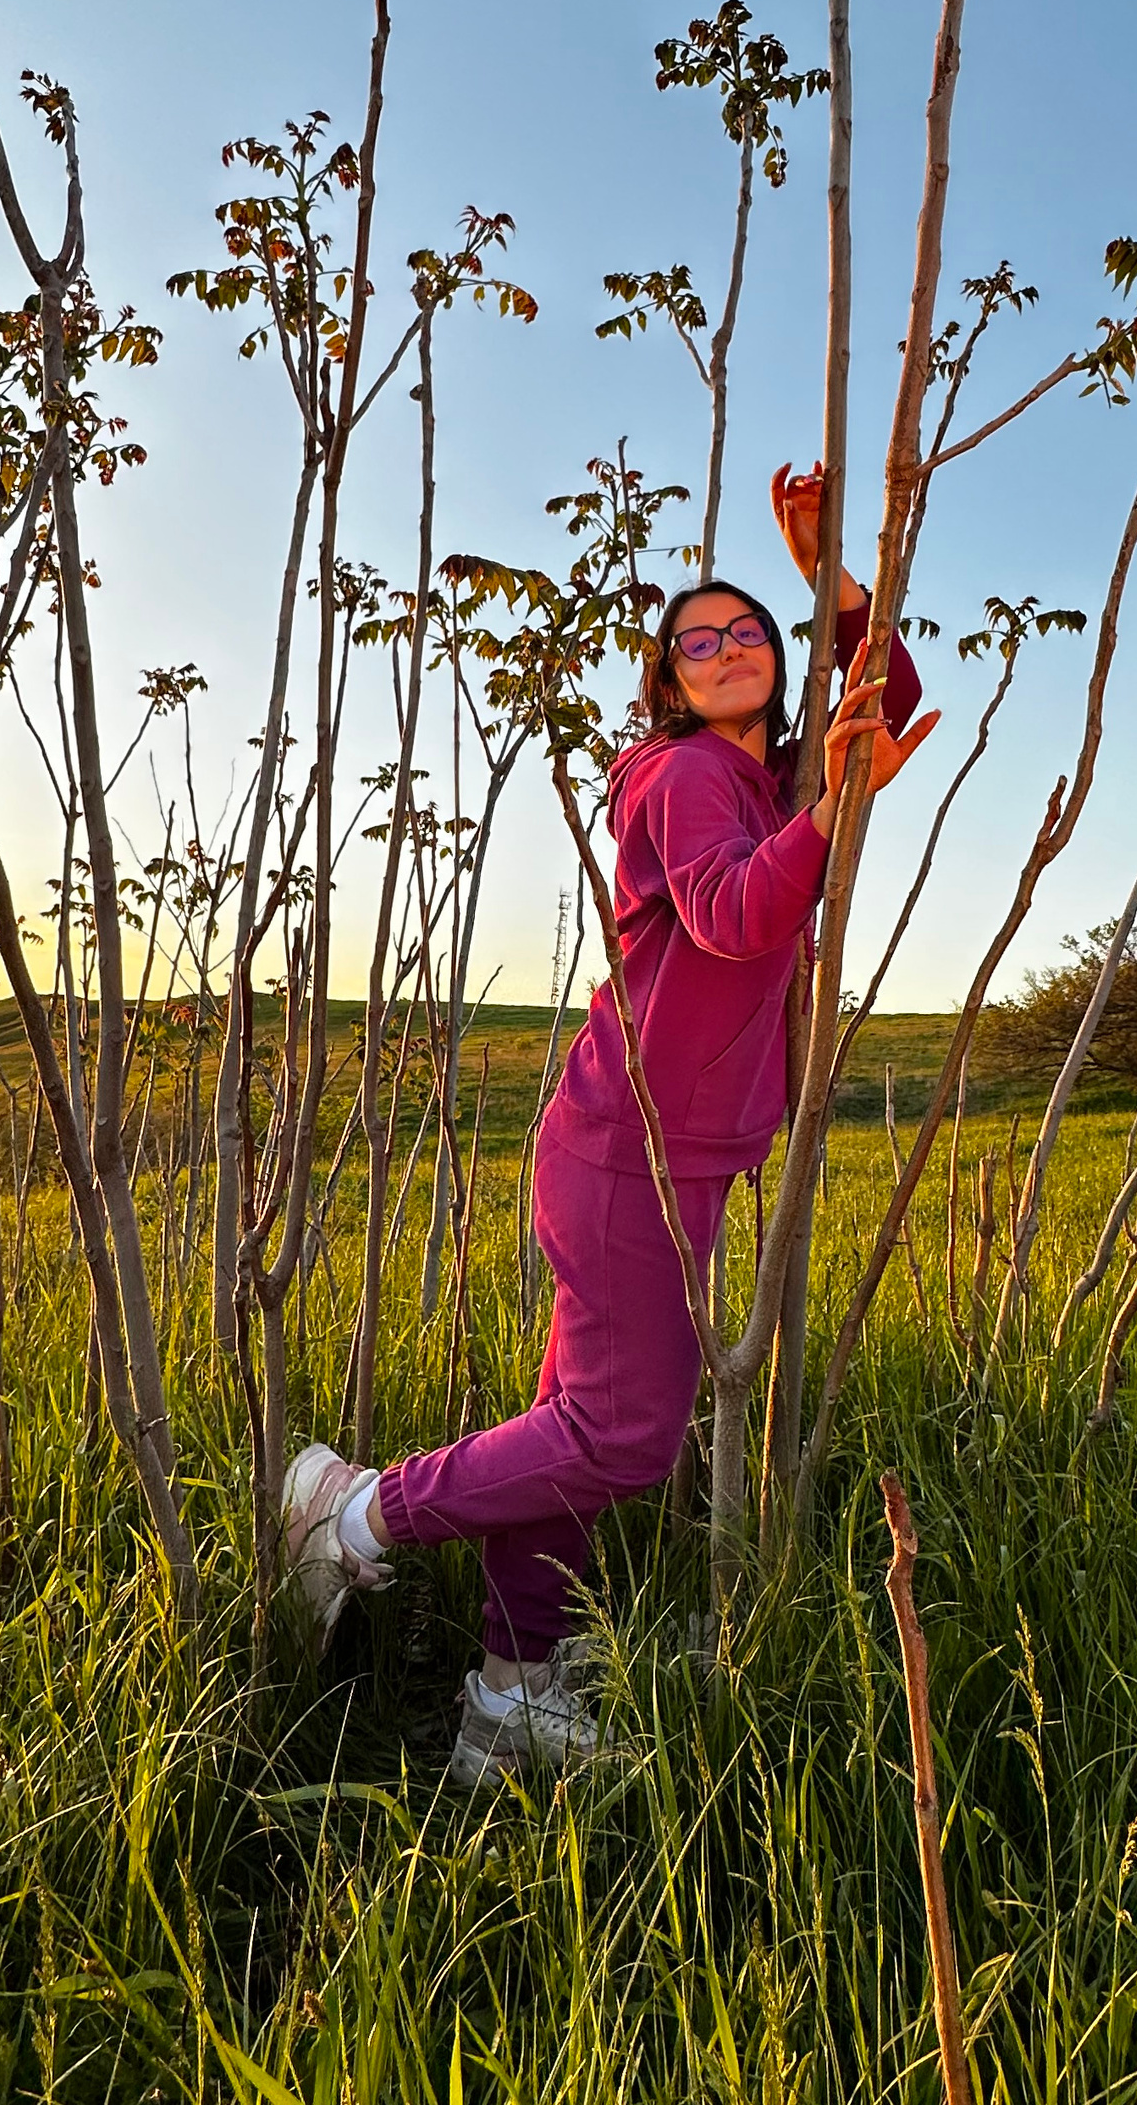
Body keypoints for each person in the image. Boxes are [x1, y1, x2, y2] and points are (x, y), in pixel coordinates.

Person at [282, 461, 938, 1785]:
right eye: (696, 642)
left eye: (748, 628)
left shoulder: (770, 785)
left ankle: (511, 1699)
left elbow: (894, 705)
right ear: (669, 682)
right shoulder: (685, 774)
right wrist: (837, 807)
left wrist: (830, 584)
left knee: (579, 1425)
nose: (726, 647)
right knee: (626, 1433)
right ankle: (353, 1510)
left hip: (660, 1149)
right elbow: (739, 915)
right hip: (626, 1145)